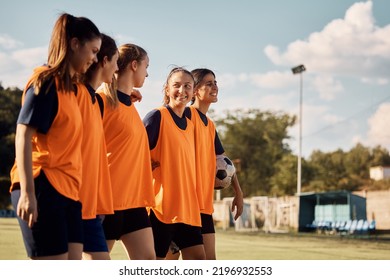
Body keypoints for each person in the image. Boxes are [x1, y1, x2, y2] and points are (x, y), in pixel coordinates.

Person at [9, 13, 102, 260]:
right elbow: (23, 134)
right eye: (93, 51)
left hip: (69, 192)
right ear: (74, 44)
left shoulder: (74, 89)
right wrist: (28, 193)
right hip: (42, 185)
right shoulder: (47, 81)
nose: (94, 59)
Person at [165, 68, 244, 260]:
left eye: (215, 82)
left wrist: (238, 192)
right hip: (179, 205)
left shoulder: (209, 125)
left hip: (203, 205)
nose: (215, 87)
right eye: (209, 83)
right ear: (195, 90)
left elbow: (225, 162)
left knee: (208, 261)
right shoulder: (185, 115)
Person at [97, 43, 156, 260]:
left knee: (147, 262)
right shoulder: (100, 100)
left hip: (134, 201)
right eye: (146, 66)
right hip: (107, 200)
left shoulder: (130, 103)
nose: (147, 73)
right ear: (134, 65)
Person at [143, 67, 206, 260]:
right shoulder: (157, 117)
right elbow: (135, 152)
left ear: (194, 91)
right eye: (176, 85)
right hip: (162, 209)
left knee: (198, 261)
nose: (182, 90)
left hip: (188, 209)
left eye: (187, 86)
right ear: (166, 90)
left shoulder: (190, 124)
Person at [75, 33, 118, 260]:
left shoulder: (94, 100)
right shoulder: (78, 96)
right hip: (71, 201)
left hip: (91, 206)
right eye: (115, 61)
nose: (117, 68)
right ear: (104, 61)